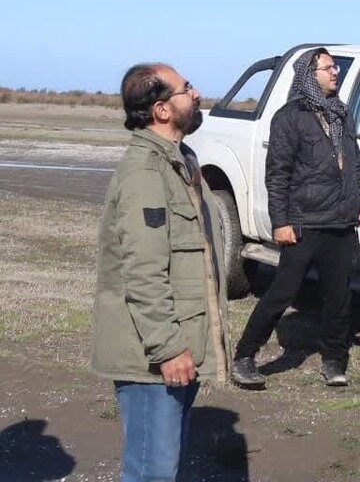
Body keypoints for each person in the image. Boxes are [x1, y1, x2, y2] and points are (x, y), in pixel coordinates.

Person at [92, 63, 231, 482]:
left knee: (161, 467)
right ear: (161, 110)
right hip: (153, 357)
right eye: (186, 88)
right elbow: (143, 272)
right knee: (151, 471)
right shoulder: (145, 173)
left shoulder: (179, 161)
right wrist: (168, 348)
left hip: (177, 346)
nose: (197, 93)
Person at [230, 47, 360, 389]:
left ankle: (334, 360)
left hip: (341, 220)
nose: (335, 72)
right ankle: (245, 356)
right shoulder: (289, 117)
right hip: (305, 222)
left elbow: (352, 161)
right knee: (282, 292)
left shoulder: (341, 113)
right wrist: (281, 221)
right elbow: (277, 175)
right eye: (328, 68)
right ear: (310, 74)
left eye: (335, 67)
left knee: (339, 296)